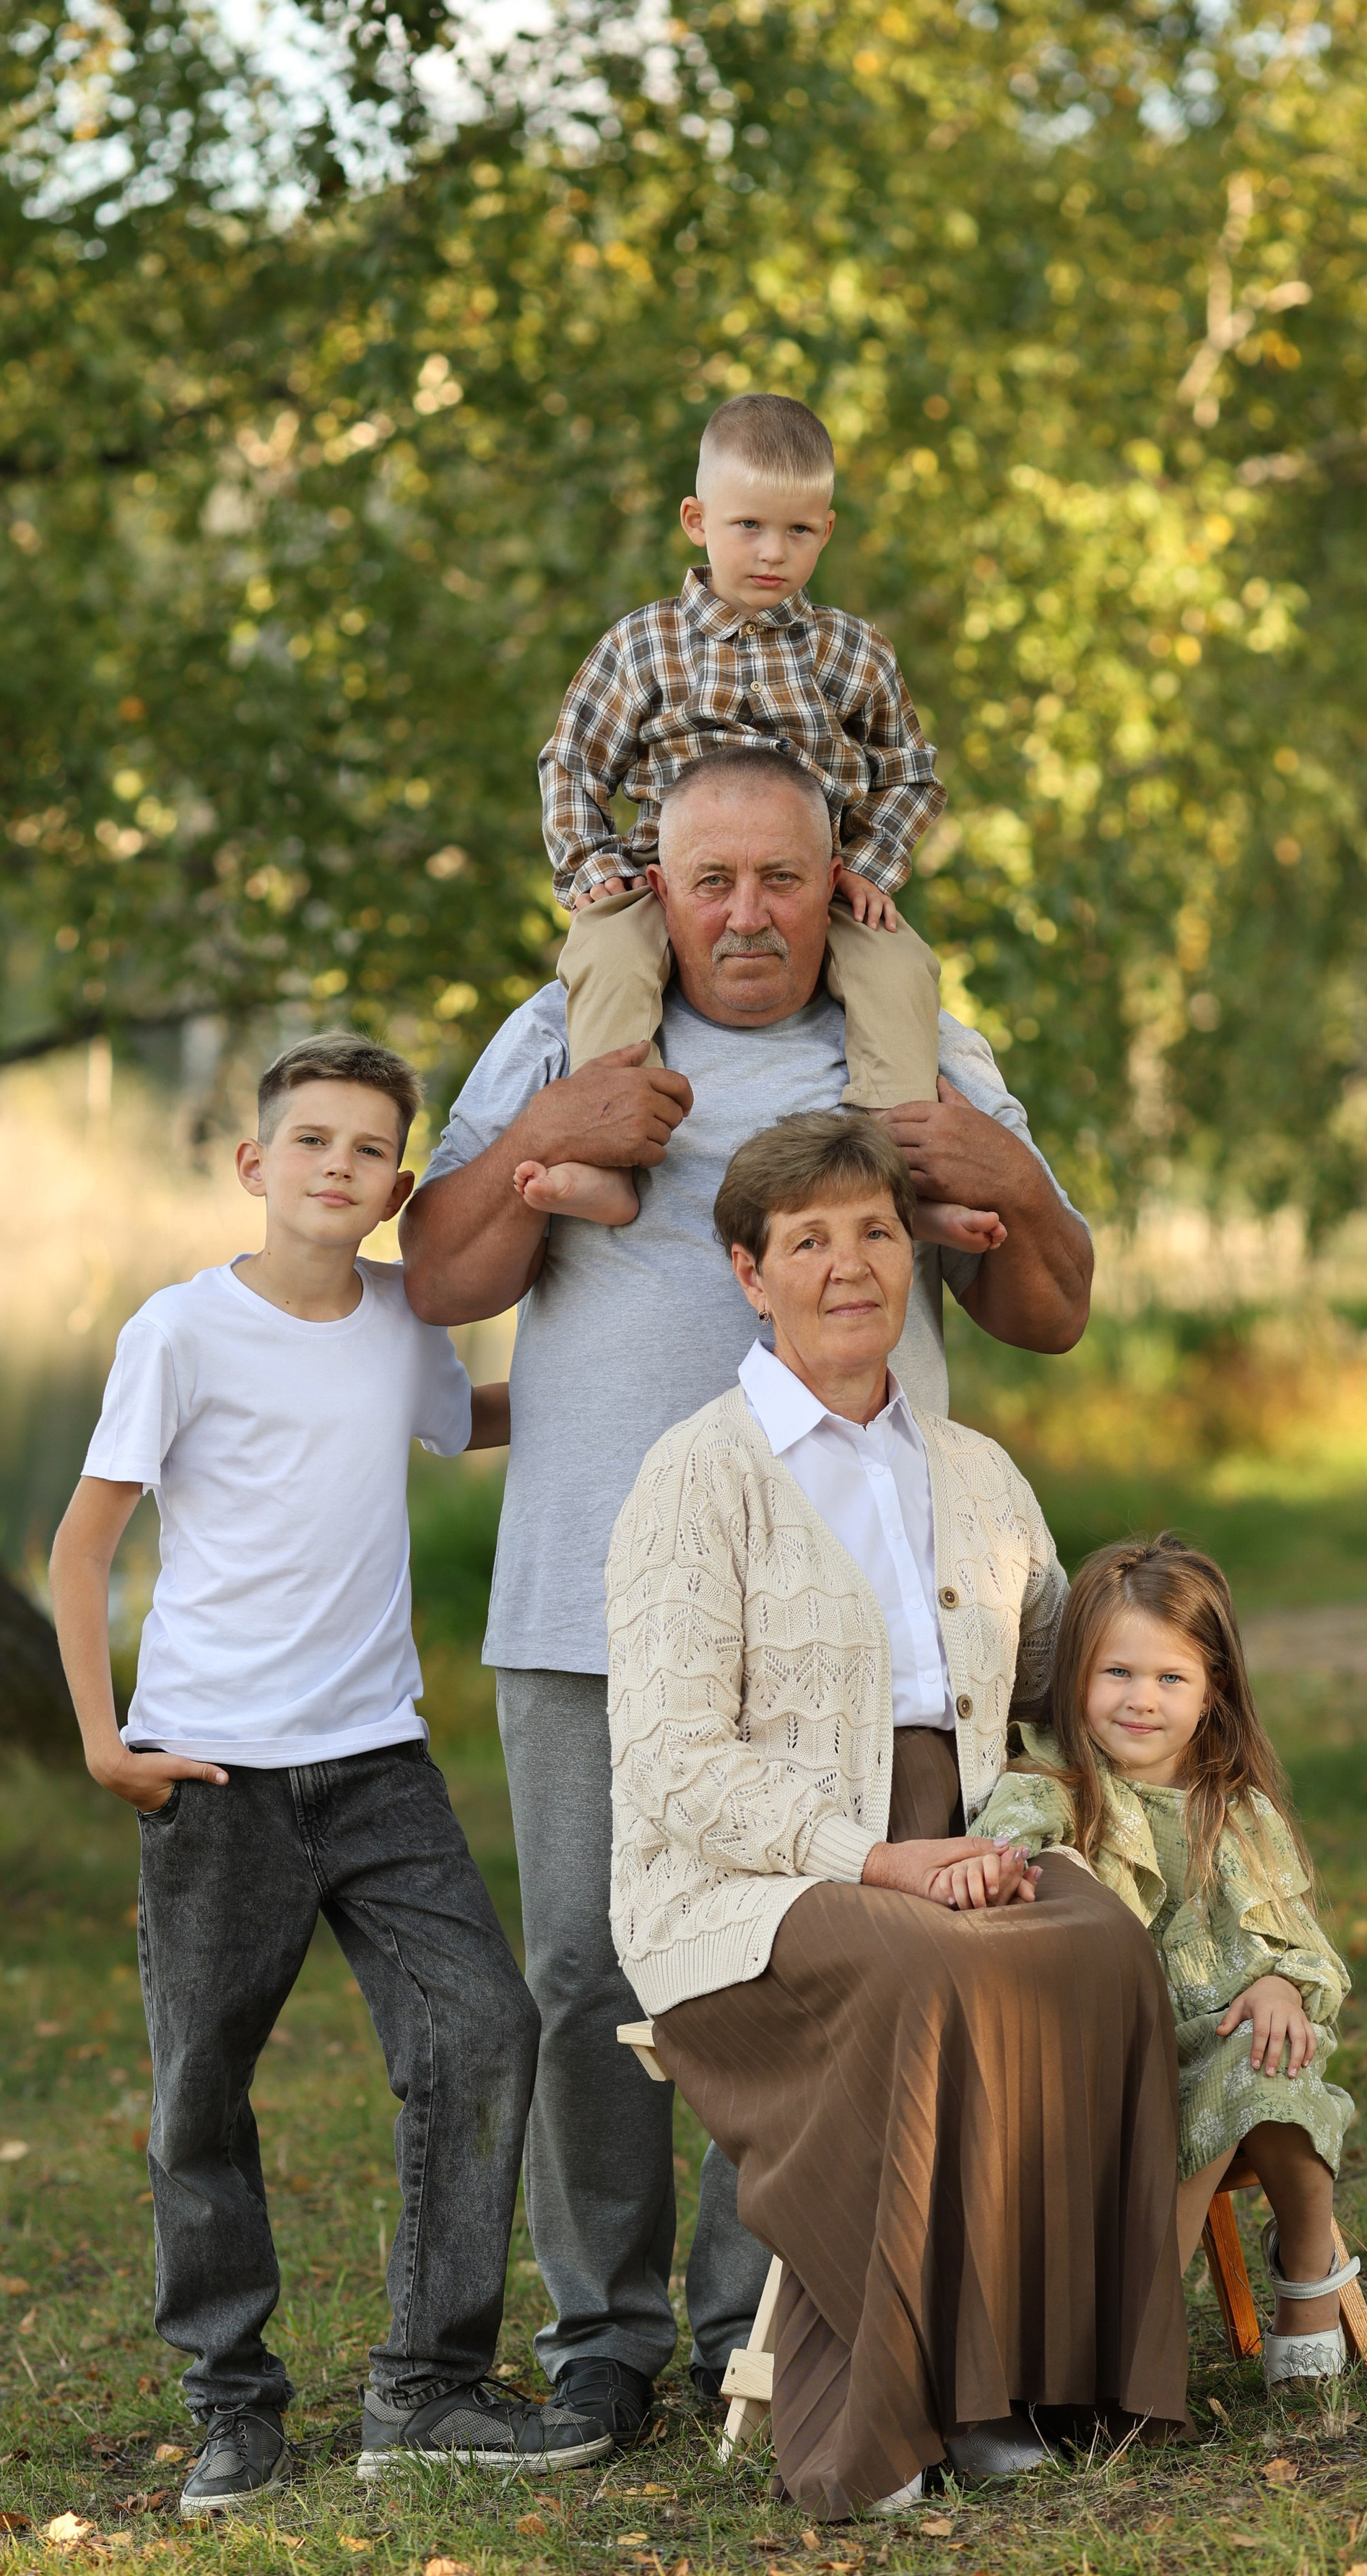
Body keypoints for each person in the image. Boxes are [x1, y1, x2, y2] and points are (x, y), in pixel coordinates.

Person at [401, 751, 1095, 2454]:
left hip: (852, 1609)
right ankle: (603, 2331)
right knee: (585, 1962)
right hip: (585, 1580)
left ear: (835, 875)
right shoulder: (569, 1027)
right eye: (705, 880)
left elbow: (1053, 1303)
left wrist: (996, 1166)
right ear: (650, 884)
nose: (742, 913)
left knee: (812, 1954)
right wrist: (541, 1142)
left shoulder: (910, 1052)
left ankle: (770, 2314)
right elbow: (429, 1274)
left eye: (778, 879)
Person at [48, 1032, 609, 2517]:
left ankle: (425, 2387)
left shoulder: (399, 1318)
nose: (335, 1168)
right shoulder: (177, 1333)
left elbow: (469, 1418)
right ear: (253, 1163)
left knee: (483, 2032)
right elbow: (84, 1543)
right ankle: (230, 2405)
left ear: (397, 1187)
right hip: (216, 1771)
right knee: (200, 2097)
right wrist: (106, 1741)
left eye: (366, 1151)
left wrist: (612, 1394)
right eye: (309, 1141)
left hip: (378, 1767)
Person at [606, 1111, 1190, 2515]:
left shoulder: (975, 1472)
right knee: (922, 1970)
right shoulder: (696, 1477)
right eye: (806, 1241)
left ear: (910, 1255)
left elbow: (1049, 1665)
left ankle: (1044, 2377)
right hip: (749, 1885)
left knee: (1099, 1948)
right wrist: (876, 1859)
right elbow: (673, 1762)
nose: (847, 1265)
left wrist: (1160, 1638)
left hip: (963, 1839)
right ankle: (917, 2397)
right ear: (749, 1273)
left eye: (872, 1231)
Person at [531, 389, 993, 1248]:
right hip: (669, 883)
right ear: (697, 520)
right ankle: (605, 1162)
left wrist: (868, 869)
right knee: (605, 953)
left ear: (827, 528)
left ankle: (901, 1180)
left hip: (812, 890)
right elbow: (571, 763)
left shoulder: (850, 652)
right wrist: (593, 867)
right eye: (748, 526)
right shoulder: (644, 645)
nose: (772, 553)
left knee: (899, 972)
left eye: (798, 531)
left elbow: (912, 775)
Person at [971, 1536, 1359, 2385]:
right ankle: (1141, 2330)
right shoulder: (1052, 1789)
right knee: (1233, 2077)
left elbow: (1302, 1951)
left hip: (1229, 2036)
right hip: (1109, 2059)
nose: (1140, 1700)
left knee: (1265, 2062)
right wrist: (1012, 1867)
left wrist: (1276, 1984)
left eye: (1170, 1678)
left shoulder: (1236, 1810)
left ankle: (1305, 2278)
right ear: (1074, 1676)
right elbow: (1003, 1865)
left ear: (1213, 1691)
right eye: (1117, 1674)